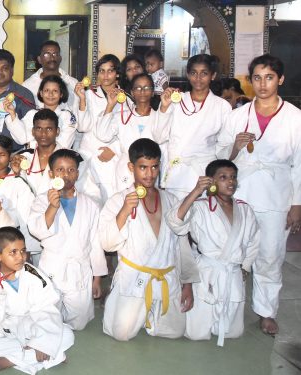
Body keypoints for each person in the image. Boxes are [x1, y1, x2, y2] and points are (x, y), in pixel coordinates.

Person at [217, 54, 301, 336]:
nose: (263, 84)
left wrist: (297, 203)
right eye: (257, 78)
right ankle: (228, 304)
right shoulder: (238, 115)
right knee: (233, 251)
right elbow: (219, 157)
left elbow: (300, 164)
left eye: (269, 77)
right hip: (240, 192)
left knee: (270, 254)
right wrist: (234, 148)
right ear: (249, 81)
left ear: (280, 79)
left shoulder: (295, 117)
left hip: (277, 194)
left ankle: (266, 311)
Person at [98, 138, 197, 341]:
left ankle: (148, 312)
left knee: (175, 332)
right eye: (143, 168)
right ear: (131, 167)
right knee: (121, 334)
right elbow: (107, 244)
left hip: (164, 277)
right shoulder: (118, 200)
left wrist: (187, 283)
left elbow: (182, 244)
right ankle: (119, 300)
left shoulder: (170, 200)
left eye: (154, 167)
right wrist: (125, 211)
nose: (149, 174)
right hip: (135, 278)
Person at [166, 160, 259, 346]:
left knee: (232, 331)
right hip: (207, 272)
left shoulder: (245, 209)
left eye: (233, 177)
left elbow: (253, 241)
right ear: (212, 181)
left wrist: (246, 266)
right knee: (196, 333)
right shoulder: (200, 206)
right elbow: (175, 222)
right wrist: (195, 191)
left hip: (231, 272)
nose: (230, 182)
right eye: (223, 177)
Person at [0, 227, 74, 375]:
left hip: (27, 322)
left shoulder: (32, 274)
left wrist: (42, 341)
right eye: (13, 252)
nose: (20, 257)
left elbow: (46, 309)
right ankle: (48, 355)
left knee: (67, 334)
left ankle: (5, 361)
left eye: (22, 251)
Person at [28, 149, 106, 330]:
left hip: (79, 271)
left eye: (71, 170)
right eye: (60, 170)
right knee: (47, 321)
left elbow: (95, 243)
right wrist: (52, 207)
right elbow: (37, 231)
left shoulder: (91, 205)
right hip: (52, 268)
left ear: (77, 174)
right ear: (51, 174)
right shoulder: (42, 201)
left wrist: (97, 279)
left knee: (78, 325)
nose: (65, 175)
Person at [155, 54, 232, 199]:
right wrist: (164, 107)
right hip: (176, 174)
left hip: (203, 174)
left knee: (203, 219)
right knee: (175, 218)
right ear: (187, 75)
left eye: (204, 73)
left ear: (213, 75)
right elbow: (159, 137)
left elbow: (223, 146)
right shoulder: (175, 100)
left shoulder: (222, 106)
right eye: (193, 73)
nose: (198, 78)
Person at [94, 72, 163, 193]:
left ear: (153, 92)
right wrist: (110, 105)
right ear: (131, 92)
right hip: (125, 171)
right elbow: (103, 135)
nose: (142, 91)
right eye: (138, 88)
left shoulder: (161, 118)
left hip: (149, 172)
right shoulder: (122, 116)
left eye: (147, 88)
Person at [73, 54, 121, 205]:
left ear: (117, 73)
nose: (105, 75)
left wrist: (115, 149)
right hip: (89, 156)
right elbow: (82, 127)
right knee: (88, 202)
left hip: (112, 159)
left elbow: (129, 132)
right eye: (101, 71)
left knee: (111, 203)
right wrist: (81, 99)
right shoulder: (88, 94)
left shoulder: (126, 99)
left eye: (110, 71)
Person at [6, 75, 77, 150]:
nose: (50, 94)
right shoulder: (32, 114)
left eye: (55, 91)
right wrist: (12, 114)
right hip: (31, 159)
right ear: (41, 93)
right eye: (47, 90)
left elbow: (64, 145)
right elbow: (22, 139)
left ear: (61, 94)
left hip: (58, 159)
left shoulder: (67, 116)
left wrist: (31, 144)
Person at [13, 109, 67, 194]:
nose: (43, 134)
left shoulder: (69, 158)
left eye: (49, 129)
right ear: (33, 132)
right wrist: (16, 173)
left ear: (57, 131)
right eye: (39, 129)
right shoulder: (23, 157)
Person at [22, 40, 79, 110]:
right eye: (47, 54)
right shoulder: (27, 86)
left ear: (60, 58)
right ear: (39, 59)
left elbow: (79, 112)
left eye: (55, 54)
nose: (52, 58)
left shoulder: (73, 83)